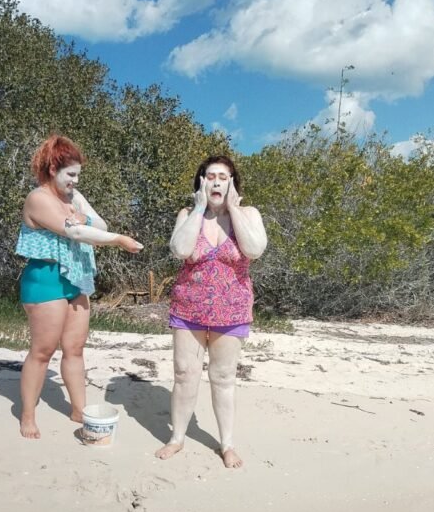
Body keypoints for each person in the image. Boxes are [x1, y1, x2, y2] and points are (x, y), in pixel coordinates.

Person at [16, 134, 143, 439]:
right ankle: (28, 415)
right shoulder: (38, 199)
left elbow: (97, 224)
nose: (74, 181)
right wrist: (118, 240)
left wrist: (82, 213)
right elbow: (76, 233)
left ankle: (79, 409)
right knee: (43, 351)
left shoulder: (73, 197)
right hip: (46, 279)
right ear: (51, 170)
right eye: (70, 175)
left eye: (77, 175)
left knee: (75, 348)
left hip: (76, 277)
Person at [155, 155, 267, 469]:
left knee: (222, 377)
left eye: (223, 176)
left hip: (232, 309)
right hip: (188, 306)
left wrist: (232, 209)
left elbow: (254, 250)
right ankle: (177, 437)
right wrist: (200, 209)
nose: (216, 181)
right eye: (210, 176)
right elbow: (180, 250)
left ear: (232, 182)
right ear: (202, 181)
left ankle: (226, 444)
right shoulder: (187, 214)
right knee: (184, 374)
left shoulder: (248, 214)